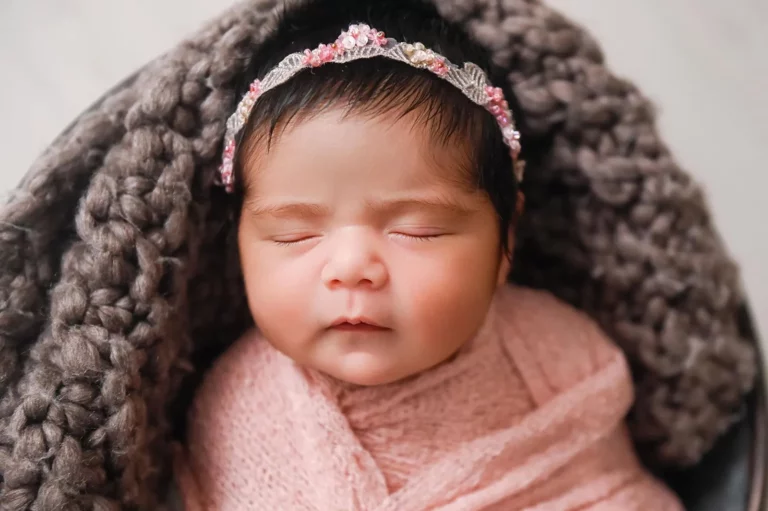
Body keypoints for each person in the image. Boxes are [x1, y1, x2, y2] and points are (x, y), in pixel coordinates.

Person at [171, 1, 684, 509]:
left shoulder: (557, 357)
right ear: (237, 242)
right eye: (294, 235)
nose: (352, 268)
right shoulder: (232, 410)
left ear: (506, 241)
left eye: (418, 230)